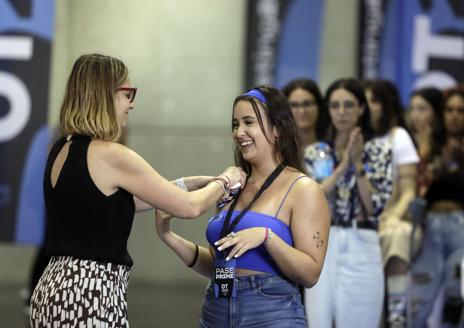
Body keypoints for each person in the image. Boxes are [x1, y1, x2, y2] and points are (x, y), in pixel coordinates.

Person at [29, 53, 245, 327]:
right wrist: (225, 180)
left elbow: (121, 201)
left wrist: (191, 182)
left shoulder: (63, 148)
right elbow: (189, 207)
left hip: (52, 289)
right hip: (89, 294)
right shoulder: (111, 155)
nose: (131, 103)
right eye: (127, 93)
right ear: (104, 94)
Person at [155, 85, 330, 327]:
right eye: (236, 124)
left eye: (249, 122)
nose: (239, 133)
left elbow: (310, 273)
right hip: (216, 308)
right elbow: (219, 261)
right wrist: (168, 236)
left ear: (277, 129)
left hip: (271, 312)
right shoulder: (231, 185)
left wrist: (267, 237)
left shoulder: (303, 189)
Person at [304, 78, 393, 328]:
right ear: (328, 110)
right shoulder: (318, 152)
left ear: (361, 109)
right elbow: (315, 198)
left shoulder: (378, 150)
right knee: (318, 320)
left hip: (361, 240)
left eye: (348, 105)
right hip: (323, 241)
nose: (341, 112)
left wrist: (358, 165)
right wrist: (344, 166)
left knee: (359, 321)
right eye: (335, 106)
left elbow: (375, 207)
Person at [364, 80, 420, 327]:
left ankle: (397, 313)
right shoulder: (354, 138)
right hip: (361, 219)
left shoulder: (399, 137)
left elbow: (409, 192)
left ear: (386, 106)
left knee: (398, 234)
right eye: (364, 101)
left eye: (374, 101)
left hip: (394, 217)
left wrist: (392, 216)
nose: (368, 107)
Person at [410, 87, 464, 327]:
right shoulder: (429, 144)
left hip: (461, 227)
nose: (454, 115)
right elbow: (416, 186)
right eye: (449, 110)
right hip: (430, 226)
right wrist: (426, 152)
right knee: (421, 295)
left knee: (456, 295)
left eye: (461, 110)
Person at [282, 78, 325, 148]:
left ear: (319, 106)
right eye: (294, 105)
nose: (302, 111)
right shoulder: (277, 151)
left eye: (307, 104)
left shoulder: (331, 149)